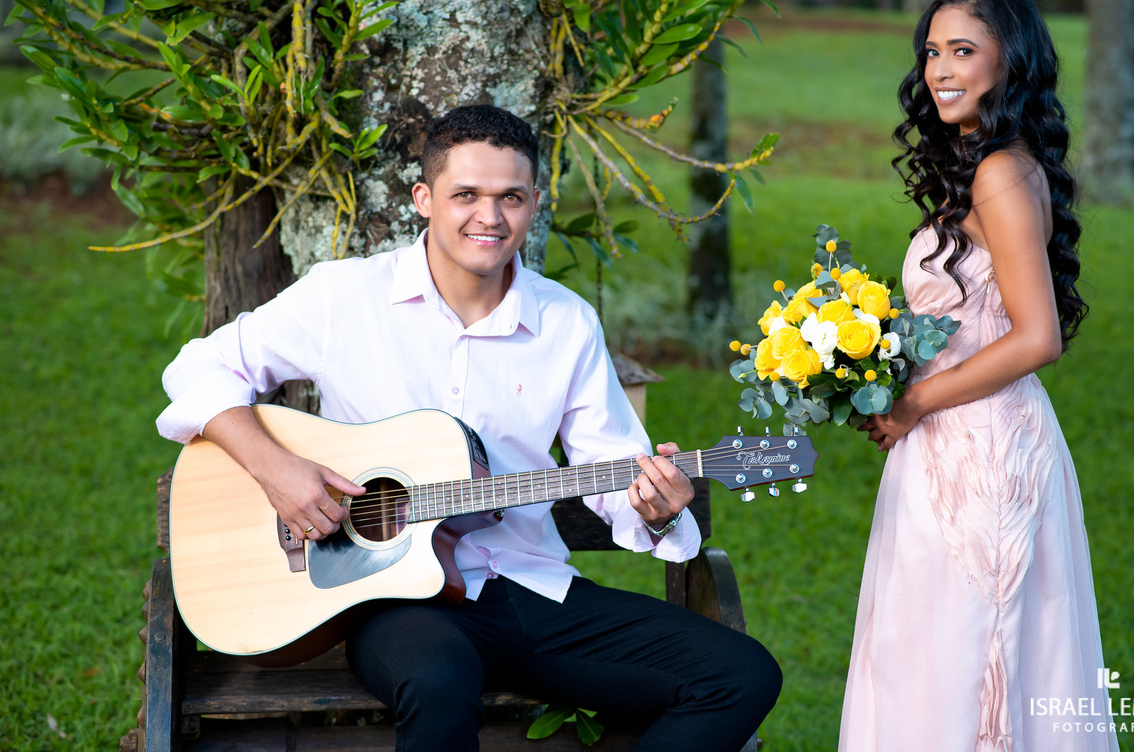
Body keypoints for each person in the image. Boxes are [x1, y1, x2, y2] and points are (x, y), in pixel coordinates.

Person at [156, 104, 781, 751]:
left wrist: (654, 508)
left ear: (534, 202)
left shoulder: (566, 324)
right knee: (437, 675)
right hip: (395, 600)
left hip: (529, 585)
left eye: (511, 196)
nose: (490, 216)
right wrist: (276, 467)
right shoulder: (345, 298)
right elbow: (198, 369)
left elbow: (615, 468)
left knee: (740, 673)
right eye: (467, 195)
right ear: (424, 199)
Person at [840, 0, 1117, 752]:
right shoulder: (980, 164)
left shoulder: (999, 171)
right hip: (947, 444)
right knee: (922, 657)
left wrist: (917, 400)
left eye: (963, 50)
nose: (940, 68)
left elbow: (1037, 338)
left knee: (969, 665)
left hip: (984, 454)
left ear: (1010, 62)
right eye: (933, 50)